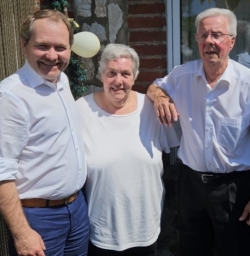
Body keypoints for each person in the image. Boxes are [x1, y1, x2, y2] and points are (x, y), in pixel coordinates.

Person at [147, 8, 250, 256]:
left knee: (237, 251)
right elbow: (154, 87)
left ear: (232, 41)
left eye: (217, 35)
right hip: (190, 184)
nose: (210, 42)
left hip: (235, 189)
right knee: (191, 249)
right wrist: (160, 96)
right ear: (197, 40)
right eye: (203, 35)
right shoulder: (182, 75)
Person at [0, 9, 89, 256]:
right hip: (39, 220)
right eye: (43, 46)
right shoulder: (10, 98)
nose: (52, 55)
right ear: (24, 45)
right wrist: (22, 233)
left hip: (77, 209)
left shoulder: (61, 81)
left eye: (60, 47)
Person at [76, 43, 181, 256]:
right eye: (111, 73)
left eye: (126, 73)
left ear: (135, 77)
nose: (118, 81)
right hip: (101, 233)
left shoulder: (152, 109)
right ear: (101, 76)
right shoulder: (81, 110)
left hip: (145, 231)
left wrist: (158, 92)